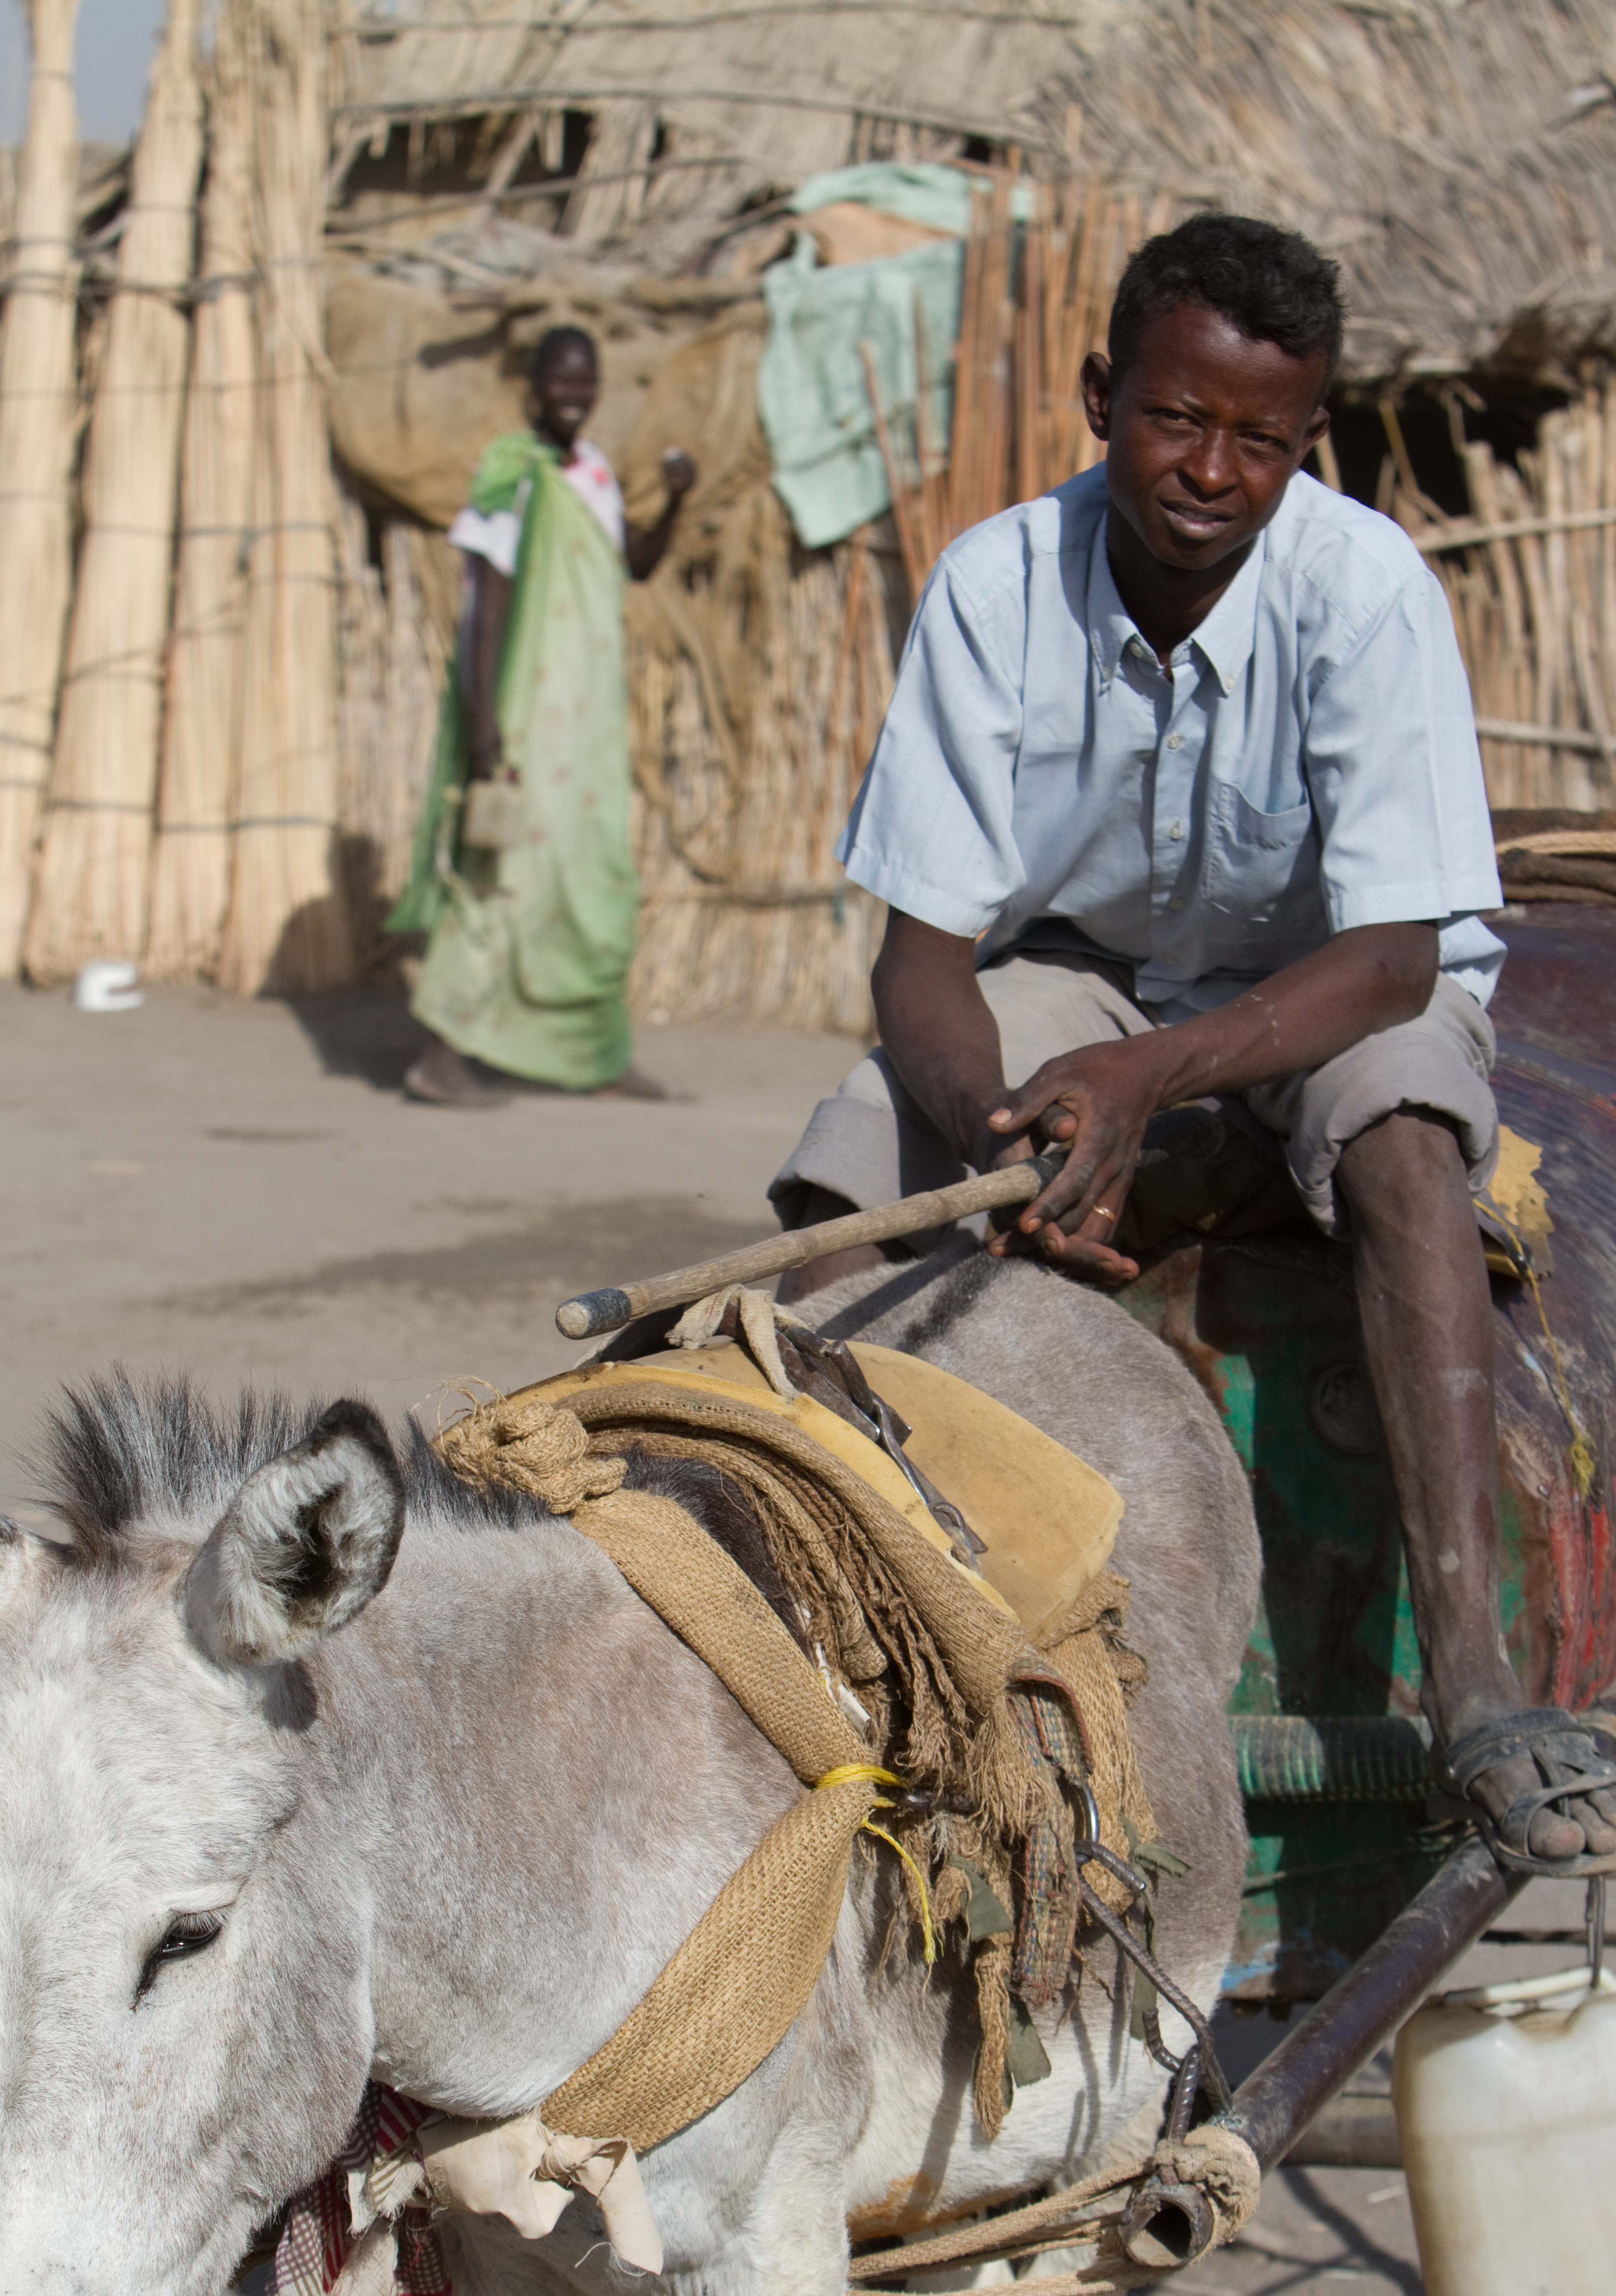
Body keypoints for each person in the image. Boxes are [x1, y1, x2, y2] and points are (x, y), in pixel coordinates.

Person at [771, 214, 1616, 1876]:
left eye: (1258, 437)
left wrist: (1150, 1082)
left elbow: (1384, 956)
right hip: (1090, 979)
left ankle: (1472, 1687)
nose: (1210, 470)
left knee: (1398, 1133)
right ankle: (832, 1639)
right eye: (1174, 416)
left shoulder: (1360, 590)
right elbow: (924, 958)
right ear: (1100, 396)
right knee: (858, 1155)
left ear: (1306, 440)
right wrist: (1004, 1126)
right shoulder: (992, 586)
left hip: (1328, 990)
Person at [395, 325, 697, 1106]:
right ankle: (441, 1053)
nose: (575, 394)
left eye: (585, 381)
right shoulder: (512, 475)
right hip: (529, 712)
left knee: (592, 878)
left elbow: (634, 563)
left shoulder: (593, 472)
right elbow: (485, 605)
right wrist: (486, 719)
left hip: (588, 721)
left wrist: (678, 498)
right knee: (503, 878)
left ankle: (588, 1053)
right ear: (534, 386)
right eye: (561, 381)